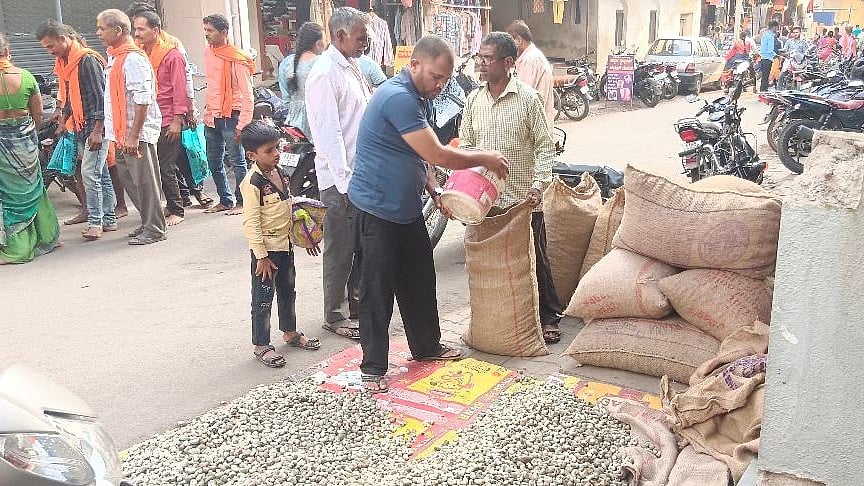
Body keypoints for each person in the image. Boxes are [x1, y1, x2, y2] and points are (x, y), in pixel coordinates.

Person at [348, 35, 509, 393]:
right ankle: (373, 367)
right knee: (377, 289)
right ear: (415, 65)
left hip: (405, 210)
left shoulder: (419, 98)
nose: (440, 85)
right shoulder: (398, 97)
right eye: (436, 77)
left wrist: (434, 189)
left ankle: (425, 347)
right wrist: (486, 157)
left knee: (419, 280)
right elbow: (437, 154)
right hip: (376, 210)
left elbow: (416, 155)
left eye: (445, 80)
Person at [459, 32, 561, 344]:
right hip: (487, 201)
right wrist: (467, 187)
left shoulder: (528, 99)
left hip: (523, 199)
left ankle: (548, 316)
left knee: (534, 259)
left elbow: (545, 147)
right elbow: (465, 144)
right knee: (493, 264)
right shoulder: (474, 100)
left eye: (487, 58)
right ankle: (501, 317)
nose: (481, 63)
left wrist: (538, 186)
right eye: (480, 57)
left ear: (507, 63)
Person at [305, 7, 372, 341]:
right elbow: (328, 135)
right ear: (341, 35)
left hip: (359, 175)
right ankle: (334, 313)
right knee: (340, 248)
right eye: (361, 37)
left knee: (358, 244)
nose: (366, 43)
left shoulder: (351, 66)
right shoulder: (324, 73)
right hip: (339, 179)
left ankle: (355, 305)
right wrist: (344, 183)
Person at [239, 121, 321, 367]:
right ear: (252, 155)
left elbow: (290, 206)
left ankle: (289, 331)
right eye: (269, 151)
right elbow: (251, 223)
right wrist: (261, 256)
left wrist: (305, 236)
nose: (276, 154)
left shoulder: (281, 173)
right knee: (263, 298)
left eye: (277, 148)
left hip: (285, 245)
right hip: (266, 253)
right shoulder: (252, 183)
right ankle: (261, 344)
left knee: (288, 291)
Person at [37, 21, 117, 241]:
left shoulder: (87, 60)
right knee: (100, 174)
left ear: (63, 39)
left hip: (95, 125)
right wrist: (64, 120)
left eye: (50, 46)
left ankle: (96, 222)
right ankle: (109, 219)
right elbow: (72, 96)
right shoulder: (66, 63)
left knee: (89, 173)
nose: (49, 51)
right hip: (82, 125)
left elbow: (102, 97)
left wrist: (98, 130)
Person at [97, 9, 166, 245]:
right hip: (120, 132)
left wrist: (134, 135)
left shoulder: (133, 59)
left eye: (101, 28)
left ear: (118, 30)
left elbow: (142, 99)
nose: (98, 33)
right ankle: (148, 222)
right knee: (130, 180)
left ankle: (155, 228)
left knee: (145, 182)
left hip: (136, 134)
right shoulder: (115, 56)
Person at [0, 34, 62, 264]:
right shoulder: (26, 77)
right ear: (8, 52)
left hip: (2, 147)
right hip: (25, 142)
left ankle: (17, 246)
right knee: (35, 188)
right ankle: (46, 236)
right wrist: (28, 133)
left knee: (9, 195)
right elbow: (37, 114)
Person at [133, 10, 192, 227]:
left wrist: (178, 120)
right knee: (158, 166)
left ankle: (177, 209)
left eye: (141, 29)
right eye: (135, 28)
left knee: (166, 166)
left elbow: (180, 89)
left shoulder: (172, 54)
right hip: (149, 117)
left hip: (168, 118)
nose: (136, 33)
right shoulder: (139, 53)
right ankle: (171, 204)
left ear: (155, 30)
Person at [202, 13, 255, 215]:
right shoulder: (208, 52)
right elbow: (211, 86)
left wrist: (243, 124)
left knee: (237, 161)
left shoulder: (237, 58)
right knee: (213, 161)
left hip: (232, 116)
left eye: (210, 31)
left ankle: (242, 201)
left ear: (223, 32)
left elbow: (247, 94)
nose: (207, 34)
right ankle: (225, 199)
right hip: (212, 116)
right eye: (205, 30)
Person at [277, 22, 325, 140]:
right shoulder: (323, 62)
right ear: (318, 43)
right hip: (318, 120)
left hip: (293, 122)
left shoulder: (287, 63)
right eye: (325, 39)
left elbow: (286, 97)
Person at [506, 20, 555, 134]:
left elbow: (522, 98)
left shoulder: (530, 60)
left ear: (518, 40)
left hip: (534, 130)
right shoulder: (530, 57)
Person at [760, 21, 779, 91]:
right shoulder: (771, 37)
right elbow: (770, 50)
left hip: (763, 58)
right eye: (777, 27)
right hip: (768, 59)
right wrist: (777, 55)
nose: (777, 29)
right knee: (766, 76)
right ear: (774, 27)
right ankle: (763, 91)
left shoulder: (764, 35)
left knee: (764, 77)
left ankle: (762, 90)